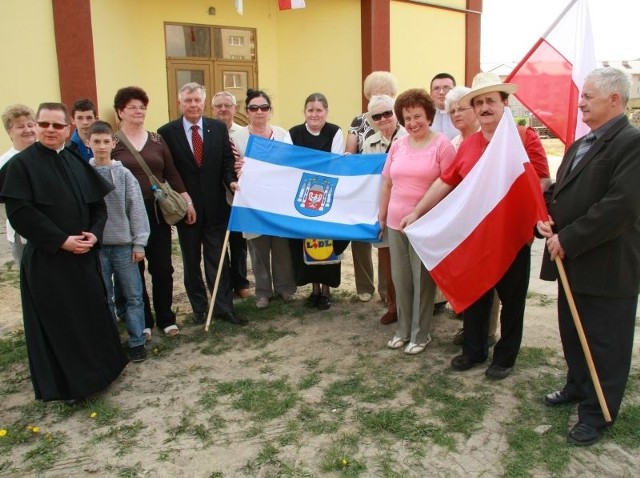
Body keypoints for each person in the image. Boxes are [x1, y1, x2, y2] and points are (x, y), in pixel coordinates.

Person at [401, 72, 551, 378]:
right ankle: (474, 350)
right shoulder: (467, 146)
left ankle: (505, 358)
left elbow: (543, 180)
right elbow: (446, 181)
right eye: (479, 102)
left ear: (504, 104)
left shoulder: (524, 138)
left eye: (490, 101)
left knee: (512, 301)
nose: (484, 107)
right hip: (478, 236)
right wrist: (417, 212)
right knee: (476, 293)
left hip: (512, 236)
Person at [537, 67, 640, 446]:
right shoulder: (581, 143)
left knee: (605, 342)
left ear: (615, 99)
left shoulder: (632, 143)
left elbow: (622, 206)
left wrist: (571, 237)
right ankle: (578, 386)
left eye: (588, 95)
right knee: (574, 332)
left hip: (607, 264)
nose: (580, 101)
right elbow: (562, 193)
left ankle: (598, 413)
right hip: (573, 261)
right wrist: (547, 220)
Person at [0, 102, 128, 402]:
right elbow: (21, 214)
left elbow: (98, 205)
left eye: (57, 126)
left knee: (92, 314)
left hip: (84, 256)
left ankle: (103, 372)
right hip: (49, 261)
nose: (50, 131)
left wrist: (94, 235)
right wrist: (61, 240)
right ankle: (71, 386)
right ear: (37, 125)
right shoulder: (21, 165)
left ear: (68, 129)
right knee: (62, 321)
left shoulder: (73, 159)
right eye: (44, 124)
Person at [158, 83, 246, 326]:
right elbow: (168, 171)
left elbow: (228, 162)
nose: (193, 105)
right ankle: (199, 309)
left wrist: (230, 182)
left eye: (197, 100)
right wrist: (183, 201)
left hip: (216, 207)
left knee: (218, 260)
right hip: (188, 210)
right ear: (180, 103)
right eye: (188, 100)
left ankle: (223, 308)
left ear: (204, 102)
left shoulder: (217, 129)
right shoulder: (166, 132)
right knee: (191, 261)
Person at [112, 86, 195, 338]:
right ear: (120, 112)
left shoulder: (157, 140)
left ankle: (166, 318)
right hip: (126, 214)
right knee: (132, 270)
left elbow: (170, 173)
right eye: (132, 107)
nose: (138, 111)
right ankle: (143, 320)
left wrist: (187, 200)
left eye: (142, 107)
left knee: (162, 268)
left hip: (158, 212)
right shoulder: (112, 141)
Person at [380, 89, 455, 355]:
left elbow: (448, 184)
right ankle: (402, 330)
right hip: (395, 222)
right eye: (407, 117)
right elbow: (387, 182)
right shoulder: (398, 145)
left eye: (417, 116)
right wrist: (382, 213)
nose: (412, 122)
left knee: (422, 280)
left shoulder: (442, 144)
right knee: (401, 280)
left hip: (425, 225)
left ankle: (421, 334)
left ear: (429, 116)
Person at [89, 120, 150, 362]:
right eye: (97, 142)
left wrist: (139, 243)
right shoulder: (83, 172)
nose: (102, 147)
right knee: (105, 296)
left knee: (134, 295)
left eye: (106, 142)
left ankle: (136, 341)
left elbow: (136, 209)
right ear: (88, 143)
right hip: (97, 246)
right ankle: (110, 341)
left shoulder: (124, 174)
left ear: (113, 143)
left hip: (124, 245)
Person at [231, 89, 296, 309]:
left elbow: (290, 163)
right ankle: (262, 292)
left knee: (281, 246)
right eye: (254, 108)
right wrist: (237, 170)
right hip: (252, 202)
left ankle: (285, 288)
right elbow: (233, 165)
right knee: (258, 247)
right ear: (247, 111)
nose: (259, 112)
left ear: (270, 111)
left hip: (278, 200)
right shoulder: (237, 137)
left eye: (264, 107)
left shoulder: (282, 134)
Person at [288, 93, 347, 310]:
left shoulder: (335, 132)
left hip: (328, 198)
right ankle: (313, 289)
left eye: (319, 110)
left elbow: (336, 164)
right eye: (310, 110)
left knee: (326, 243)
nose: (314, 114)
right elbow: (291, 163)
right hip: (303, 197)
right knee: (307, 242)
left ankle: (326, 290)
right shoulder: (293, 133)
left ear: (326, 112)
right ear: (305, 112)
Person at [346, 71, 398, 303]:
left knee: (388, 243)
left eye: (384, 93)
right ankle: (364, 287)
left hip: (392, 190)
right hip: (364, 188)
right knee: (361, 237)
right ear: (368, 95)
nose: (379, 97)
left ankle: (387, 291)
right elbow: (350, 152)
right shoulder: (358, 121)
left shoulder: (399, 118)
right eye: (375, 93)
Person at [362, 95, 407, 324]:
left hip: (407, 207)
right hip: (382, 209)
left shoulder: (409, 137)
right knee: (387, 262)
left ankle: (415, 307)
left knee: (410, 262)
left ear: (395, 113)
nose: (383, 119)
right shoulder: (368, 143)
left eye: (387, 113)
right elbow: (364, 178)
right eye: (376, 116)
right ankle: (393, 305)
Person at [211, 90, 251, 299]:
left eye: (227, 105)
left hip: (239, 196)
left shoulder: (244, 134)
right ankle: (223, 283)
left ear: (235, 109)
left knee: (239, 242)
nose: (223, 109)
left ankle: (241, 281)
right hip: (216, 196)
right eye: (219, 105)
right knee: (219, 243)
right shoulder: (208, 132)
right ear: (213, 109)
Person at [0, 104, 37, 266]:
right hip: (22, 233)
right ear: (9, 132)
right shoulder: (6, 162)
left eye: (31, 125)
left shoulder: (47, 154)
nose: (27, 130)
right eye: (20, 126)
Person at [429, 72, 458, 140]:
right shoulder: (425, 117)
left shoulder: (463, 115)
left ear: (455, 91)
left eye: (446, 88)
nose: (441, 92)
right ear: (431, 94)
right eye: (436, 88)